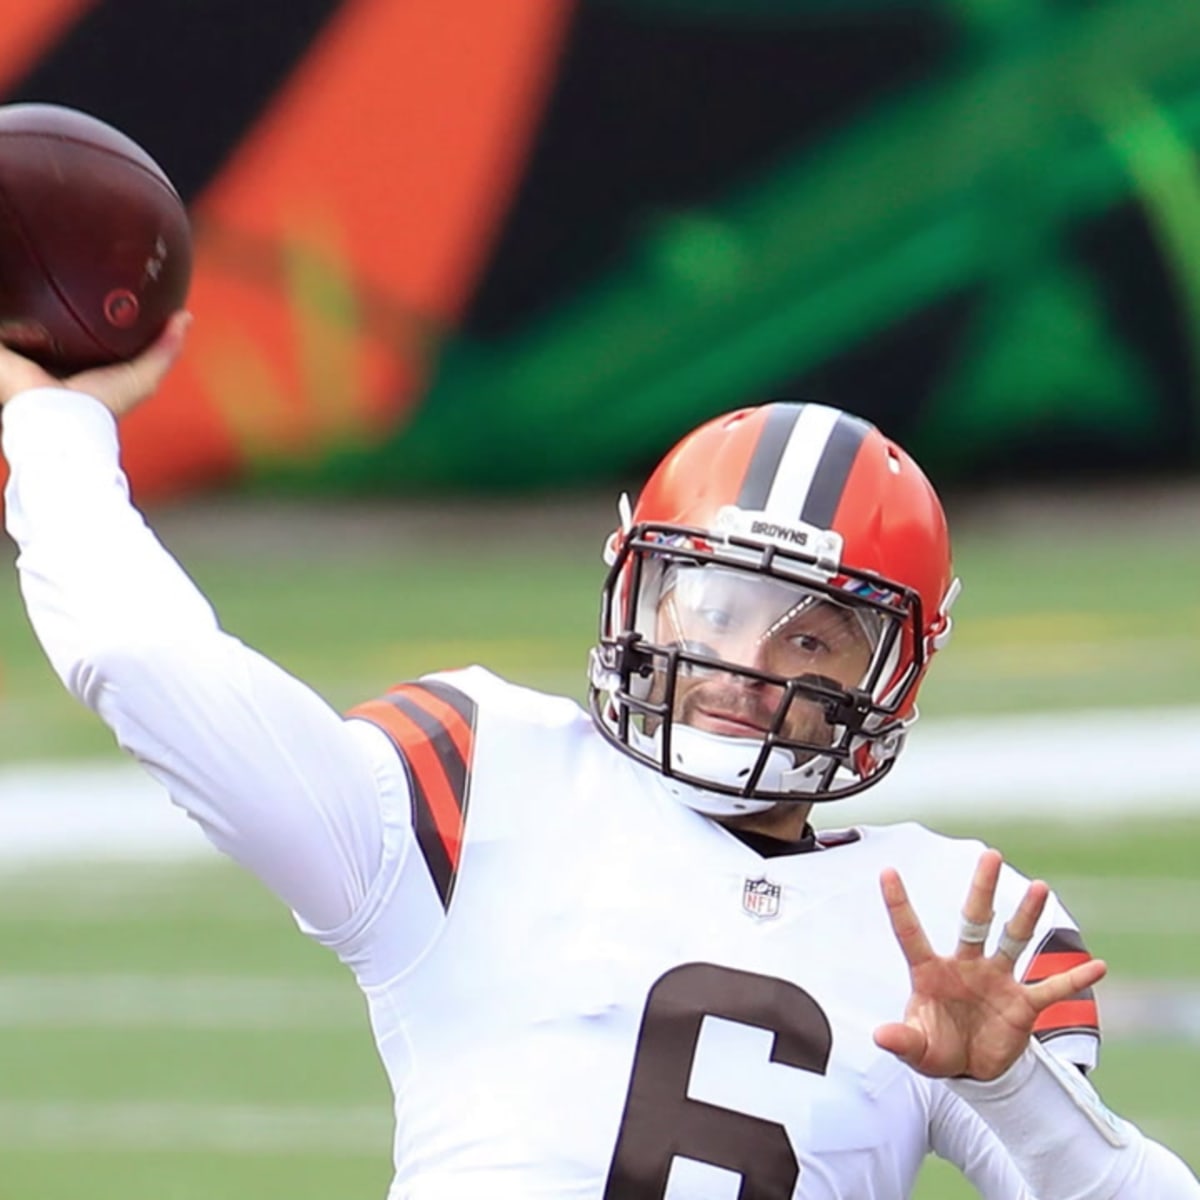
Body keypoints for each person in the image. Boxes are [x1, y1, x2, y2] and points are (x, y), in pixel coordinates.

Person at [1, 312, 1196, 1200]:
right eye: (713, 606)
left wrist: (1012, 1092)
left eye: (812, 636)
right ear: (639, 593)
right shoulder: (477, 777)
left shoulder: (944, 924)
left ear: (888, 676)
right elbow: (139, 655)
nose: (742, 664)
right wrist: (54, 423)